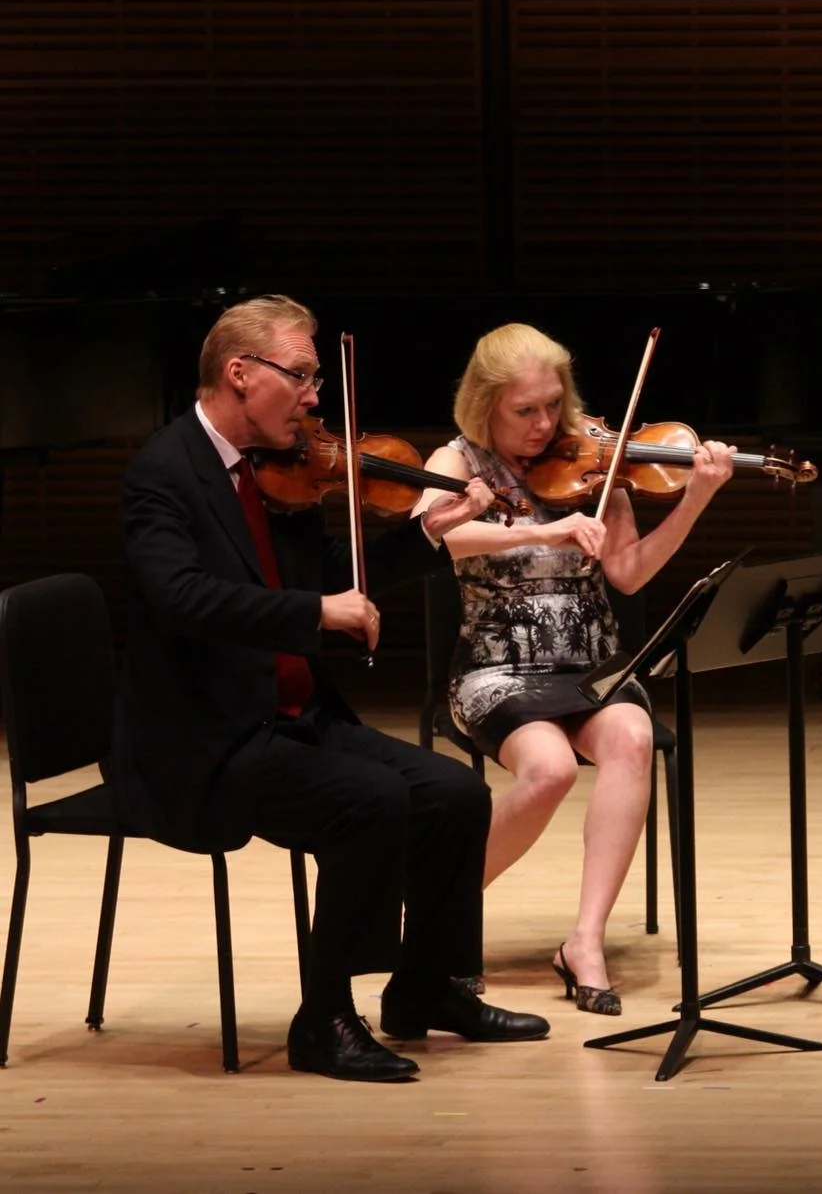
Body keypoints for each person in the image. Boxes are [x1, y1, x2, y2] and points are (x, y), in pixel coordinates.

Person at [109, 295, 550, 1084]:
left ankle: (427, 989)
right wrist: (314, 612)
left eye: (318, 378)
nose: (317, 397)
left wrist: (426, 533)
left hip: (290, 719)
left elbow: (336, 582)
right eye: (303, 376)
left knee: (453, 793)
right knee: (370, 800)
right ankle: (326, 1018)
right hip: (205, 739)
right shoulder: (164, 472)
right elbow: (181, 599)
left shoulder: (282, 473)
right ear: (240, 373)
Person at [415, 323, 733, 1015]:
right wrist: (542, 529)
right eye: (523, 410)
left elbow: (627, 573)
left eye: (552, 405)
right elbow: (439, 534)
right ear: (486, 406)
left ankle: (584, 941)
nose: (543, 425)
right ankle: (442, 918)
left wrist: (695, 499)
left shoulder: (591, 457)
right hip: (495, 669)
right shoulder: (458, 458)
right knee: (551, 769)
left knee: (632, 738)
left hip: (588, 666)